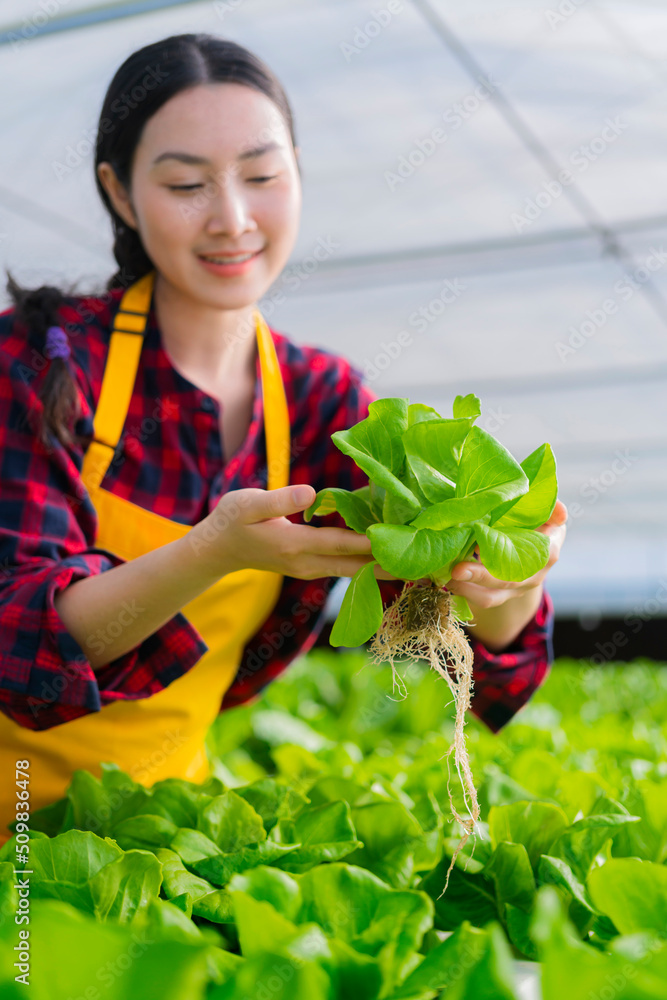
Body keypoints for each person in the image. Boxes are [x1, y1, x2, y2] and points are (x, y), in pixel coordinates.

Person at [0, 34, 567, 845]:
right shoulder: (40, 362)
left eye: (262, 176)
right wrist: (211, 553)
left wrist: (507, 576)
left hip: (156, 837)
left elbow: (480, 658)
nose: (232, 218)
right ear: (120, 194)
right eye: (187, 183)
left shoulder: (320, 404)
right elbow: (20, 646)